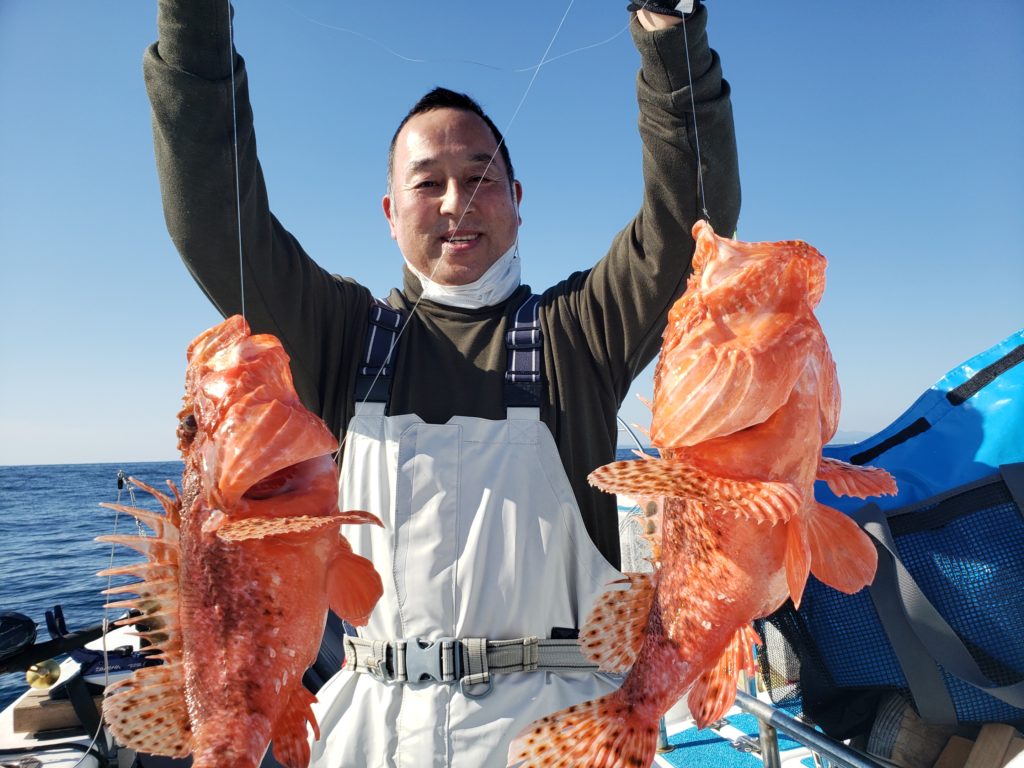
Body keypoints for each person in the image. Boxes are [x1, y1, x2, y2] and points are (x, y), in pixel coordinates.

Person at [143, 0, 740, 765]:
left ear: (518, 205)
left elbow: (690, 216)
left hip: (563, 728)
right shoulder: (341, 336)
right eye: (429, 184)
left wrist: (669, 36)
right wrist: (193, 20)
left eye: (481, 178)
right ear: (392, 215)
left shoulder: (580, 330)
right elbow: (212, 220)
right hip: (373, 731)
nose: (457, 202)